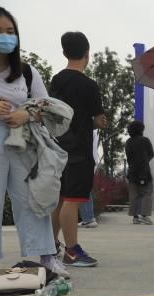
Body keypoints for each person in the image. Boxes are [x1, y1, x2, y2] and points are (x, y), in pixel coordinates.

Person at [0, 7, 68, 276]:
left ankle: (46, 256)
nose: (5, 37)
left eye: (10, 32)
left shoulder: (27, 72)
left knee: (32, 198)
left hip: (24, 141)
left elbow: (47, 108)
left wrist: (24, 113)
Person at [50, 31, 106, 267]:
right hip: (79, 150)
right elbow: (99, 120)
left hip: (56, 147)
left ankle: (50, 246)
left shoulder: (56, 80)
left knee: (60, 200)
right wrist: (98, 121)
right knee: (72, 200)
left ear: (64, 52)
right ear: (87, 54)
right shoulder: (89, 85)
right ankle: (72, 251)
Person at [124, 120, 154, 225]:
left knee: (134, 195)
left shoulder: (128, 142)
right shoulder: (145, 140)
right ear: (141, 129)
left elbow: (128, 156)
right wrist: (145, 161)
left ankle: (135, 217)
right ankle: (144, 216)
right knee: (147, 193)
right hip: (145, 171)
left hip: (132, 171)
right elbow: (151, 154)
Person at [78, 130, 99, 228]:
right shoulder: (92, 130)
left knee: (82, 191)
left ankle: (88, 219)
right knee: (87, 191)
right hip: (90, 162)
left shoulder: (87, 129)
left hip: (84, 162)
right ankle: (89, 217)